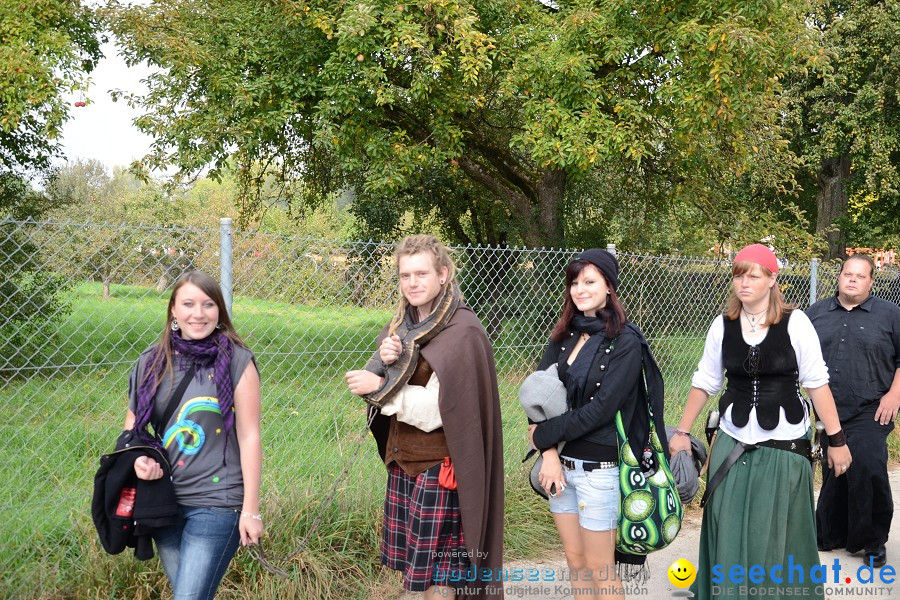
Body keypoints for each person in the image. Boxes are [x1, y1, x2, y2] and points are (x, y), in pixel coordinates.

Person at [670, 244, 852, 600]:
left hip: (783, 447)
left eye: (753, 275)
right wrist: (681, 432)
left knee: (771, 531)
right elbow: (705, 381)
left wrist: (838, 440)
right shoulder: (723, 325)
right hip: (731, 441)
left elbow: (817, 383)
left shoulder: (796, 322)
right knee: (726, 519)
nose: (744, 283)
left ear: (772, 279)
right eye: (739, 275)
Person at [344, 235, 504, 599]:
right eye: (404, 275)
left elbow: (437, 412)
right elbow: (394, 381)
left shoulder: (463, 331)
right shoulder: (402, 326)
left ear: (443, 274)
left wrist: (380, 386)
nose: (412, 283)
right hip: (405, 465)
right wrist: (388, 363)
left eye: (421, 274)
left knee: (440, 577)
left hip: (442, 471)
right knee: (420, 576)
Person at [527, 248, 667, 597]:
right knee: (575, 563)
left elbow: (601, 410)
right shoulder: (565, 333)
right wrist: (548, 454)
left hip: (598, 471)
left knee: (601, 570)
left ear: (609, 286)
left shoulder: (625, 341)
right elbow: (537, 393)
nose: (580, 289)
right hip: (560, 468)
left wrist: (541, 435)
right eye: (574, 282)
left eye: (589, 281)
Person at [123, 270, 262, 600]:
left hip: (218, 503)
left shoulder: (238, 362)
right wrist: (141, 460)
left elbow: (250, 437)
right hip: (163, 501)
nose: (198, 314)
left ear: (219, 311)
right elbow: (132, 433)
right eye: (188, 304)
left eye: (208, 304)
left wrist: (251, 509)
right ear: (173, 309)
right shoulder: (151, 362)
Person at [807, 253, 900, 568]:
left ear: (870, 281)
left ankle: (873, 541)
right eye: (848, 273)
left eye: (860, 276)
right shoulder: (815, 314)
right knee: (836, 468)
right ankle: (833, 534)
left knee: (868, 466)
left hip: (873, 407)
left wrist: (894, 395)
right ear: (839, 276)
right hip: (826, 406)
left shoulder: (890, 315)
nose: (852, 279)